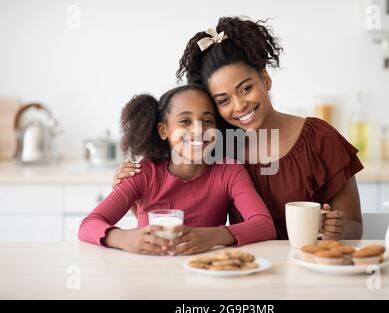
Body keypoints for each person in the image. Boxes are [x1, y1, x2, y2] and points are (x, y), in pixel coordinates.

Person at [114, 16, 364, 241]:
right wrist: (130, 189)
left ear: (265, 79)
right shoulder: (216, 146)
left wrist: (337, 229)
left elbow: (355, 226)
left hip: (310, 271)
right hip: (244, 270)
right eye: (223, 100)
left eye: (246, 88)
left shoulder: (319, 138)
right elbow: (173, 197)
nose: (240, 105)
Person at [78, 85, 276, 255]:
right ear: (163, 130)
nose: (198, 130)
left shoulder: (228, 171)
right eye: (185, 121)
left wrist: (213, 236)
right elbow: (88, 225)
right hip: (150, 274)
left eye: (207, 121)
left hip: (205, 272)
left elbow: (264, 225)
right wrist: (123, 238)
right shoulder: (144, 173)